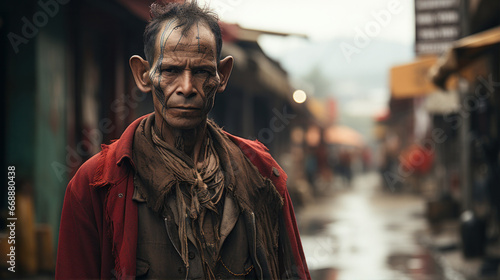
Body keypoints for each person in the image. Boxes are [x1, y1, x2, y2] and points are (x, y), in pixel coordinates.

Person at [55, 1, 310, 279]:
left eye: (201, 72)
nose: (186, 88)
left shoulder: (261, 174)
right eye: (170, 71)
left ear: (221, 76)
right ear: (143, 74)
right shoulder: (95, 184)